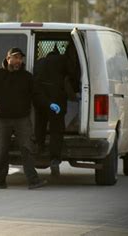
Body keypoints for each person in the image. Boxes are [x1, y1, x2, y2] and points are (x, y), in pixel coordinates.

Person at [0, 47, 47, 189]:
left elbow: (37, 95)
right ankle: (0, 181)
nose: (18, 61)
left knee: (27, 148)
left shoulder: (27, 77)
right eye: (15, 57)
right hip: (2, 119)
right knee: (1, 149)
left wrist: (49, 104)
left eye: (20, 58)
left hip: (22, 119)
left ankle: (33, 181)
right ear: (8, 59)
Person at [33, 43, 79, 176]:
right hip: (57, 100)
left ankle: (39, 148)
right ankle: (54, 159)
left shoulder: (39, 62)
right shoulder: (63, 60)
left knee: (40, 125)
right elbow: (72, 75)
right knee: (56, 130)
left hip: (40, 99)